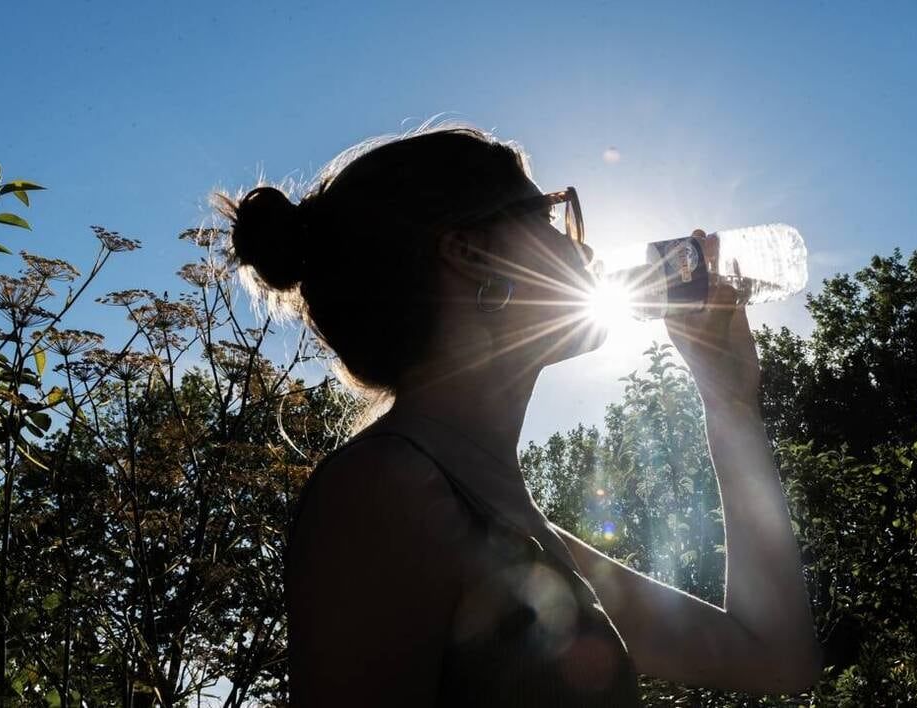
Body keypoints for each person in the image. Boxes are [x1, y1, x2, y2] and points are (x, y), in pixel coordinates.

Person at [219, 124, 823, 705]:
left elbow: (775, 656)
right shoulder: (385, 493)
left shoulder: (516, 530)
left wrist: (730, 400)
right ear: (470, 254)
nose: (580, 245)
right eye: (549, 216)